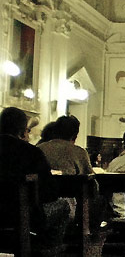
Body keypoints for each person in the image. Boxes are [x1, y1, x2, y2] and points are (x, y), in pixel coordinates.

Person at [0, 107, 70, 253]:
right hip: (23, 216)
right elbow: (50, 192)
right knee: (63, 206)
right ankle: (47, 250)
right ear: (22, 131)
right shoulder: (30, 152)